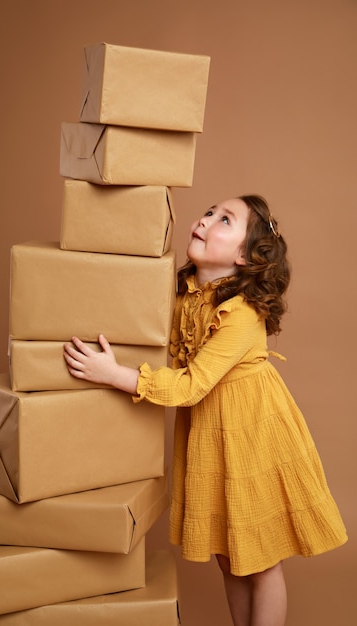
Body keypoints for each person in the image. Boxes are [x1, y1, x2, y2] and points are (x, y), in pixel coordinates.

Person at [63, 195, 347, 626]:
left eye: (225, 220)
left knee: (260, 556)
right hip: (210, 434)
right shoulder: (186, 295)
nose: (206, 219)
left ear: (243, 255)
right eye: (210, 212)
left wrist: (113, 374)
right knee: (226, 553)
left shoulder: (241, 314)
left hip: (251, 431)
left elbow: (192, 385)